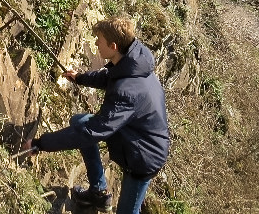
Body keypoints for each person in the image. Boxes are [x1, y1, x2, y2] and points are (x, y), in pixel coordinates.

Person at [23, 17, 169, 214]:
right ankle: (98, 193)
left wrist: (40, 143)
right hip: (132, 136)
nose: (96, 43)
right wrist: (80, 77)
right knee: (80, 121)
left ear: (113, 45)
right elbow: (108, 77)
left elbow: (91, 132)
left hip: (143, 157)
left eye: (99, 40)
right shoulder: (131, 62)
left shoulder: (127, 91)